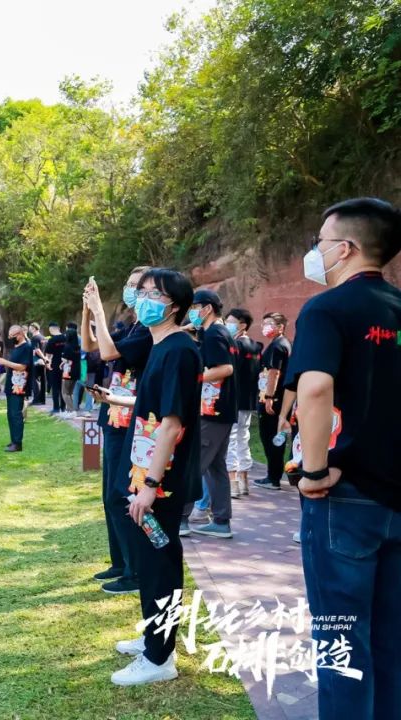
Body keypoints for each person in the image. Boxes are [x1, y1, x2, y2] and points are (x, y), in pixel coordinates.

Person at [284, 197, 401, 719]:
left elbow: (314, 389)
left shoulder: (327, 309)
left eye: (321, 242)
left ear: (346, 248)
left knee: (342, 646)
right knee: (391, 642)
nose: (316, 252)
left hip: (345, 498)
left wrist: (312, 471)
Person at [94, 268, 200, 686]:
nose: (143, 298)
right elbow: (151, 404)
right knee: (150, 559)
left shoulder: (179, 350)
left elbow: (172, 424)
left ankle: (160, 659)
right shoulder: (159, 346)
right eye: (142, 291)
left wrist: (151, 487)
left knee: (160, 563)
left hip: (160, 481)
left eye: (154, 293)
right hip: (143, 471)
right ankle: (154, 638)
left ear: (175, 305)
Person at [83, 266, 153, 595]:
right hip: (112, 417)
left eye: (137, 286)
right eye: (129, 284)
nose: (131, 290)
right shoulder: (131, 327)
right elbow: (91, 346)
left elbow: (110, 352)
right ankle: (120, 562)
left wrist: (98, 308)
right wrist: (87, 310)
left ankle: (135, 571)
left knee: (120, 496)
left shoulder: (148, 332)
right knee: (109, 497)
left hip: (130, 424)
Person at [181, 289, 237, 538]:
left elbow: (225, 369)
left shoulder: (215, 333)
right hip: (221, 410)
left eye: (195, 307)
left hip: (213, 411)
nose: (192, 312)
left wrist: (193, 377)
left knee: (195, 463)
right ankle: (221, 521)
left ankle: (180, 518)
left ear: (207, 308)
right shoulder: (219, 333)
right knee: (215, 466)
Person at [253, 312, 292, 491]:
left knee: (270, 437)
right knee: (275, 437)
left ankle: (273, 478)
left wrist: (269, 397)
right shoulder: (282, 344)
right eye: (264, 323)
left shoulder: (278, 346)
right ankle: (274, 475)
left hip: (272, 399)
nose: (265, 327)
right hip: (277, 398)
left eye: (269, 323)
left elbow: (274, 373)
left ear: (280, 327)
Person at [224, 308, 260, 497]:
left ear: (243, 325)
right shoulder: (255, 346)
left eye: (231, 321)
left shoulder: (235, 345)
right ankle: (244, 480)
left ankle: (233, 483)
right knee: (243, 437)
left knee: (231, 438)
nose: (227, 324)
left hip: (234, 398)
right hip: (248, 399)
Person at [0, 325, 33, 452]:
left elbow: (22, 367)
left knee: (16, 414)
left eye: (12, 336)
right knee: (10, 414)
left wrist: (4, 362)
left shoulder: (26, 347)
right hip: (11, 385)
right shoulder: (16, 348)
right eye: (9, 336)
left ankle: (17, 443)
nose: (10, 338)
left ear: (20, 334)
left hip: (19, 386)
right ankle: (13, 440)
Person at [43, 322, 66, 415]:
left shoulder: (52, 340)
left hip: (55, 365)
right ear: (58, 328)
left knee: (55, 387)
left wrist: (47, 363)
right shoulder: (66, 337)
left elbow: (48, 354)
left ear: (50, 329)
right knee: (63, 387)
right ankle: (63, 407)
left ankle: (56, 408)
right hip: (65, 365)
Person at [60, 326, 81, 415]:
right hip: (76, 370)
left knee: (65, 392)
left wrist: (62, 362)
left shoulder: (67, 347)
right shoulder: (78, 347)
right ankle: (69, 410)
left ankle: (72, 411)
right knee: (70, 392)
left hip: (68, 371)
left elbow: (64, 359)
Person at [29, 323, 47, 407]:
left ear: (34, 328)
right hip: (43, 362)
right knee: (42, 380)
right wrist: (45, 359)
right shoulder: (43, 338)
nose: (29, 329)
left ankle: (36, 400)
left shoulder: (34, 338)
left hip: (36, 361)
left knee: (35, 381)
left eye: (30, 328)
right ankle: (42, 400)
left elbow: (37, 350)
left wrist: (43, 358)